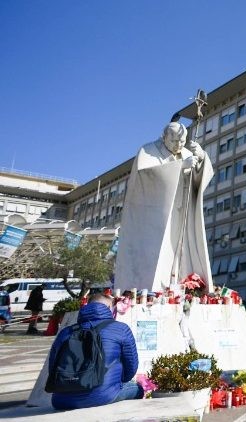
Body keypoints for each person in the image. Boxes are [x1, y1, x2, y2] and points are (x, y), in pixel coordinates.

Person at [115, 121, 214, 293]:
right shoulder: (148, 151)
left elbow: (199, 182)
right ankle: (150, 290)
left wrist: (202, 159)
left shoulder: (186, 152)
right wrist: (179, 166)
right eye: (174, 141)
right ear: (164, 137)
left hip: (182, 212)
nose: (179, 145)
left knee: (182, 252)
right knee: (158, 255)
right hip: (156, 217)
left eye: (182, 141)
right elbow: (144, 176)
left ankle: (185, 288)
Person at [48, 294, 142, 409]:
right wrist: (119, 382)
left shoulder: (66, 332)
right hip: (102, 396)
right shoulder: (121, 328)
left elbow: (52, 367)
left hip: (61, 400)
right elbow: (131, 366)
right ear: (109, 308)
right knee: (139, 389)